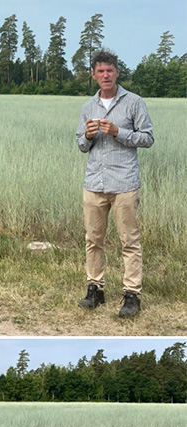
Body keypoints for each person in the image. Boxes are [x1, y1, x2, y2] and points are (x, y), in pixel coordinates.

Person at [76, 50, 154, 318]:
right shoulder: (88, 106)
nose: (105, 75)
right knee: (93, 239)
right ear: (94, 75)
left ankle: (132, 295)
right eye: (100, 71)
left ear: (117, 72)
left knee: (129, 241)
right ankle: (95, 289)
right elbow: (80, 145)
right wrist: (87, 136)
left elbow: (147, 138)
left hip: (124, 183)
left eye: (109, 70)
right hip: (94, 183)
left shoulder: (134, 103)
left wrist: (118, 132)